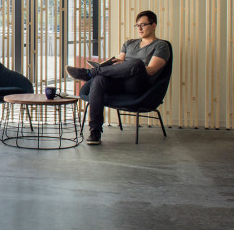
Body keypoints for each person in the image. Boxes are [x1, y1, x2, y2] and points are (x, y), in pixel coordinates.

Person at [66, 10, 171, 145]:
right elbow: (117, 65)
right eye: (137, 25)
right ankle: (95, 131)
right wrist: (109, 65)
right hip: (120, 82)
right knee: (99, 80)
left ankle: (90, 73)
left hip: (139, 85)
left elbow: (150, 71)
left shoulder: (161, 46)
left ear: (154, 25)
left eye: (143, 25)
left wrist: (128, 64)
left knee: (136, 64)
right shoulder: (129, 43)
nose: (139, 28)